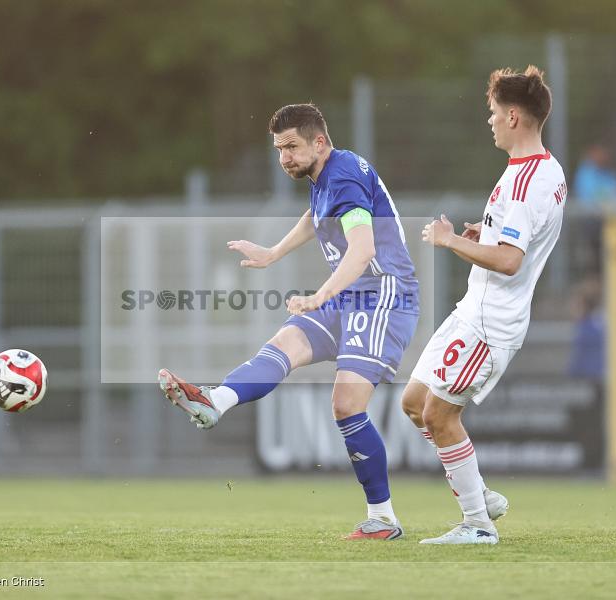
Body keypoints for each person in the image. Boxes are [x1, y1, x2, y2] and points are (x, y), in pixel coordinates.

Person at [158, 104, 485, 540]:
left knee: (346, 404)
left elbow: (363, 249)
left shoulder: (343, 175)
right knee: (284, 344)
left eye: (291, 146)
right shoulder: (327, 174)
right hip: (353, 294)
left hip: (382, 294)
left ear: (319, 141)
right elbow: (316, 216)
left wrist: (319, 296)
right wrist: (274, 253)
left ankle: (384, 519)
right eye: (278, 149)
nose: (284, 158)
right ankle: (215, 402)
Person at [401, 65, 566, 545]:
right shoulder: (544, 169)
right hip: (473, 308)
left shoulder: (523, 185)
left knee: (439, 416)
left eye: (493, 113)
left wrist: (452, 241)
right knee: (414, 404)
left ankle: (477, 525)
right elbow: (517, 240)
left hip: (491, 322)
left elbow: (511, 262)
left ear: (513, 116)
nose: (489, 121)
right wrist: (482, 234)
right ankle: (479, 495)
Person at [572, 144, 616, 209]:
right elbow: (588, 195)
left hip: (610, 212)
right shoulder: (586, 172)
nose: (603, 156)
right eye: (599, 153)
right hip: (589, 215)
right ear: (592, 153)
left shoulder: (607, 172)